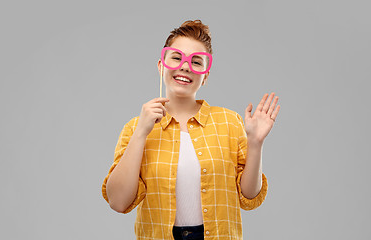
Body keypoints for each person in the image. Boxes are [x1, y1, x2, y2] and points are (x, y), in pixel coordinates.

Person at [102, 20, 280, 240]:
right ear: (161, 65)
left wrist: (256, 143)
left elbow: (249, 197)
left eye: (197, 62)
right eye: (177, 58)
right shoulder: (134, 128)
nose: (185, 66)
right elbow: (118, 202)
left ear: (205, 75)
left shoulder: (229, 122)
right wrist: (141, 132)